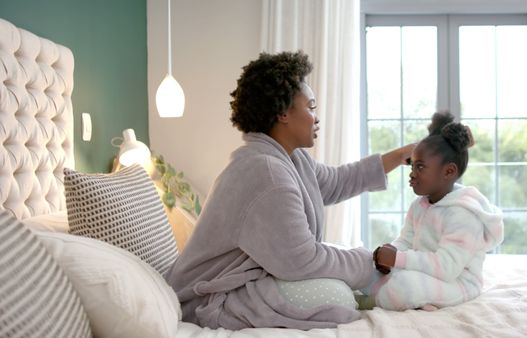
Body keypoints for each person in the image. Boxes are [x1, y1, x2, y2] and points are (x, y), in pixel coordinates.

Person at [165, 51, 414, 330]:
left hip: (244, 282)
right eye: (311, 107)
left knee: (341, 287)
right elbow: (304, 261)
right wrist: (369, 262)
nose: (317, 118)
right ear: (283, 113)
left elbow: (336, 182)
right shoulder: (267, 174)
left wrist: (402, 155)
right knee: (335, 297)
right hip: (208, 300)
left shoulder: (290, 159)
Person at [358, 111, 504, 311]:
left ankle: (369, 303)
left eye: (420, 167)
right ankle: (381, 291)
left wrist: (399, 259)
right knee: (364, 266)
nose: (412, 174)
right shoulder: (419, 205)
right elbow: (406, 241)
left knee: (405, 286)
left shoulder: (463, 215)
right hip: (427, 271)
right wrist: (386, 256)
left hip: (457, 281)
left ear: (449, 172)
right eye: (412, 167)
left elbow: (447, 268)